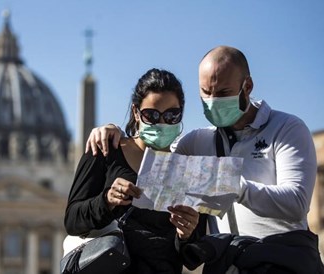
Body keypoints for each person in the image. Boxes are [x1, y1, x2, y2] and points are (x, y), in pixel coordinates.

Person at [85, 46, 322, 271]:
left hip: (280, 261)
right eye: (206, 93)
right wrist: (112, 129)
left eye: (223, 93)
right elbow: (156, 151)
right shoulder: (196, 142)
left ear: (247, 86)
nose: (213, 101)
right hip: (225, 263)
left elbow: (297, 203)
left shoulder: (286, 128)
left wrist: (234, 187)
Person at [64, 68, 207, 274]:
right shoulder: (105, 149)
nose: (161, 123)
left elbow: (191, 259)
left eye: (171, 115)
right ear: (136, 113)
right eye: (151, 115)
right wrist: (107, 200)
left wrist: (188, 233)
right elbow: (72, 220)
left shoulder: (189, 170)